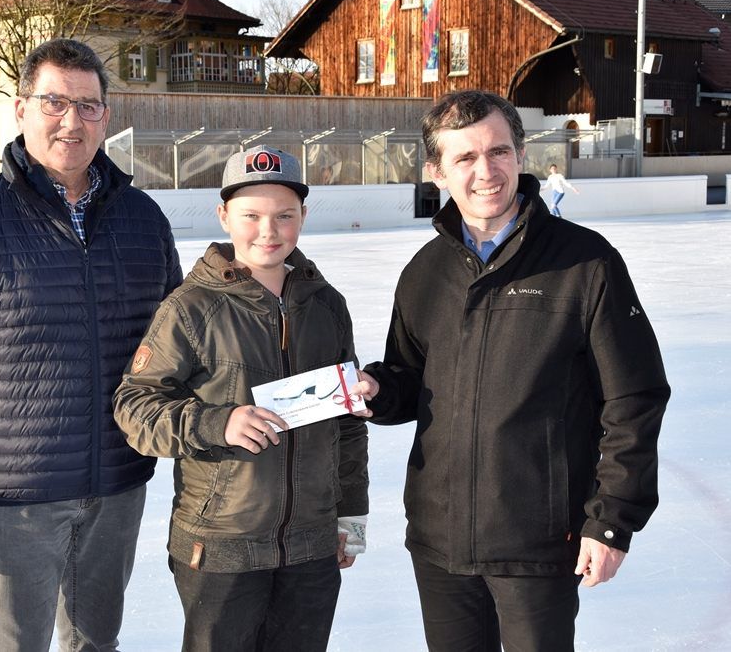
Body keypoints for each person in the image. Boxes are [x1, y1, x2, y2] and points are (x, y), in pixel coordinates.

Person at [359, 90, 670, 651]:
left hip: (539, 540)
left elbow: (634, 398)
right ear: (435, 171)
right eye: (465, 157)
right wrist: (379, 390)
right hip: (440, 541)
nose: (486, 172)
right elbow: (412, 380)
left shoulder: (584, 262)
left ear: (520, 155)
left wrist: (612, 520)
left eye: (498, 151)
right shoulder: (424, 272)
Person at [0, 38, 182, 651]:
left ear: (106, 116)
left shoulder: (143, 219)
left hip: (117, 482)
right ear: (21, 109)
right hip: (17, 497)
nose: (71, 121)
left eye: (87, 106)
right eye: (54, 102)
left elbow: (180, 349)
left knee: (95, 642)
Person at [113, 145, 370, 652]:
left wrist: (350, 516)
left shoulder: (326, 304)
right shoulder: (191, 307)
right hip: (221, 547)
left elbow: (346, 423)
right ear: (224, 216)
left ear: (303, 217)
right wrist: (217, 423)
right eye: (251, 215)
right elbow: (135, 408)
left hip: (311, 545)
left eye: (284, 216)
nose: (268, 231)